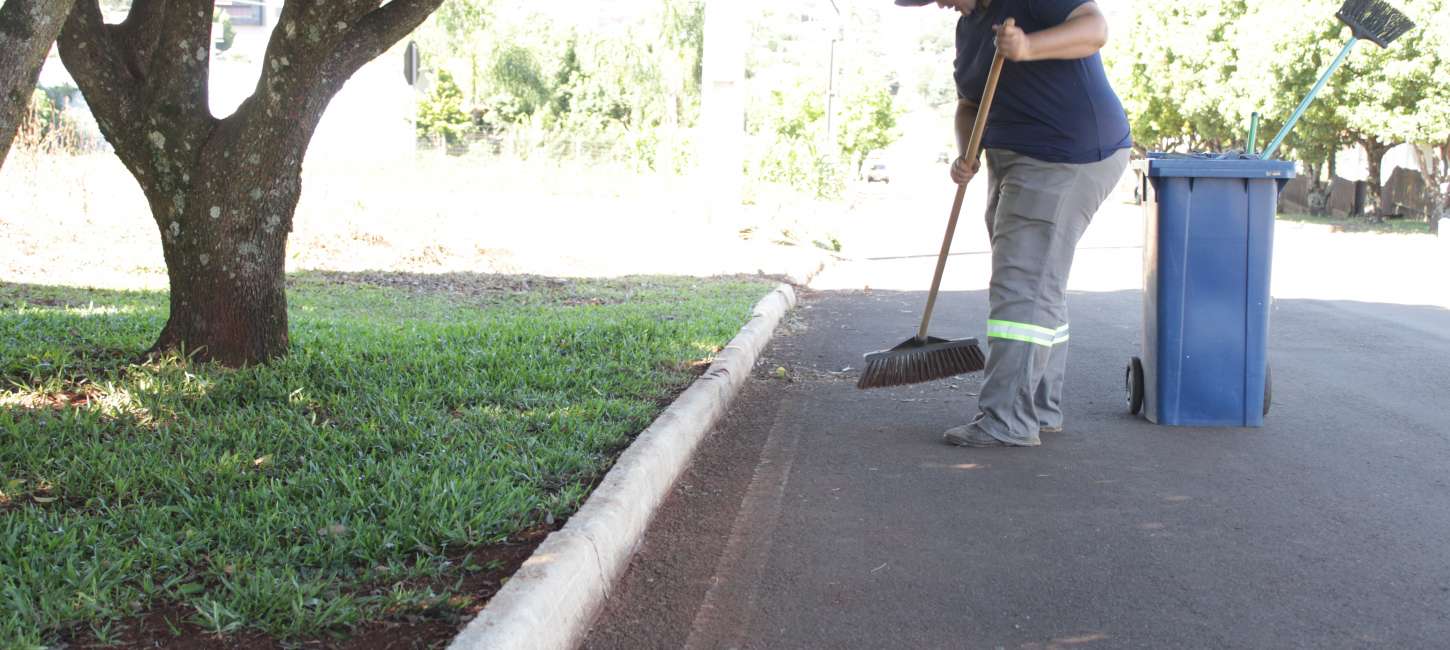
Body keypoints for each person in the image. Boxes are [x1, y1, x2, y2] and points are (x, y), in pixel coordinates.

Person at [896, 0, 1132, 447]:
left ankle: (1007, 419)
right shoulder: (969, 30)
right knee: (1037, 281)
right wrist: (968, 152)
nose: (941, 4)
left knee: (1022, 285)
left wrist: (1027, 45)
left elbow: (1094, 29)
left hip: (1064, 154)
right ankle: (1039, 408)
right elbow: (970, 102)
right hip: (1014, 157)